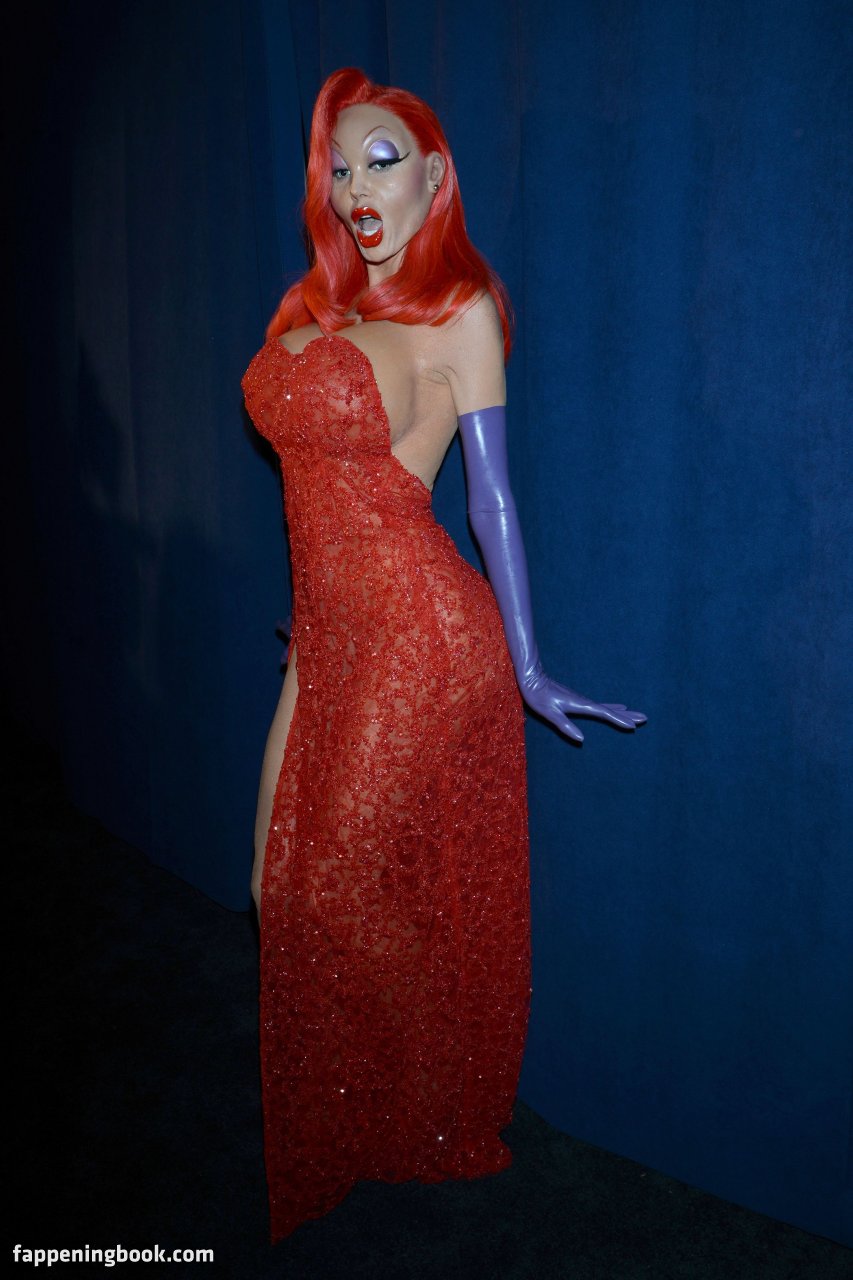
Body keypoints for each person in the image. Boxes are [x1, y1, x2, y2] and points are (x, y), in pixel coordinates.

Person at [242, 66, 646, 1243]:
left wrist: (529, 664)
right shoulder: (311, 306)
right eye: (339, 167)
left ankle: (431, 1100)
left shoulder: (457, 311)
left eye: (381, 161)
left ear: (433, 176)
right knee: (274, 886)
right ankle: (391, 1087)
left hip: (423, 634)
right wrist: (316, 631)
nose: (356, 187)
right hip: (328, 634)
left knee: (336, 885)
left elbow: (491, 502)